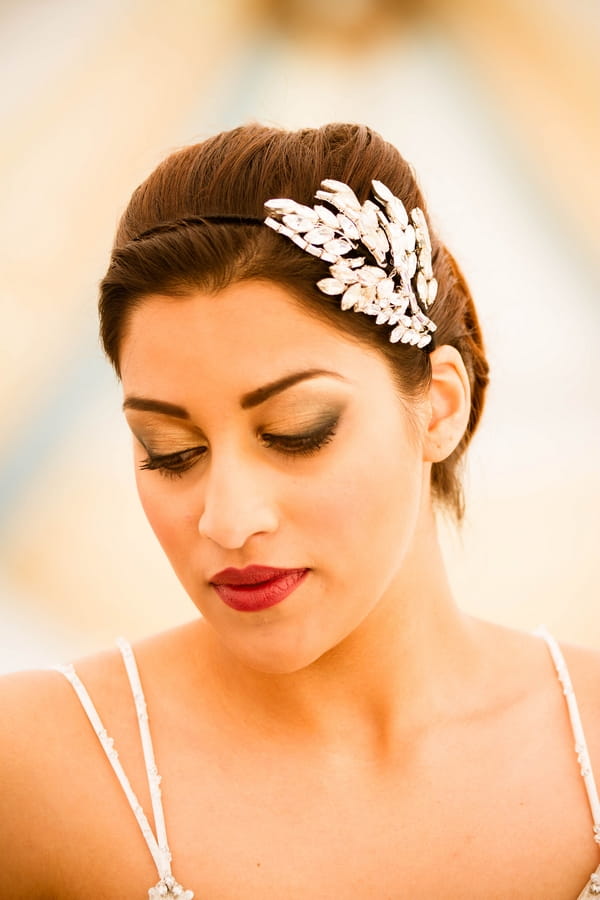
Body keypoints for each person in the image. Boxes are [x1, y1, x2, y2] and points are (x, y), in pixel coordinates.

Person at [1, 122, 599, 899]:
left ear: (440, 407)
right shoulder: (37, 770)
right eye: (169, 450)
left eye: (296, 433)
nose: (227, 519)